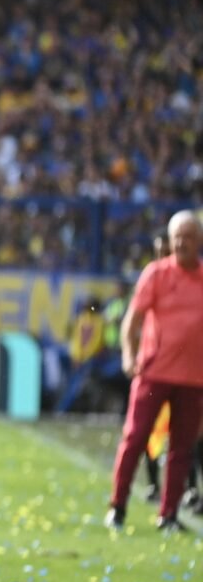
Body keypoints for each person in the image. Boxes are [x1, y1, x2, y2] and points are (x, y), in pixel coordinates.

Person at [107, 211, 203, 532]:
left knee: (182, 449)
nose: (181, 243)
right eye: (177, 237)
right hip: (154, 373)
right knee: (135, 437)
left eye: (188, 237)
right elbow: (132, 320)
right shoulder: (156, 274)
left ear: (199, 241)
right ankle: (118, 506)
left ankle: (169, 514)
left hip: (193, 378)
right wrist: (129, 355)